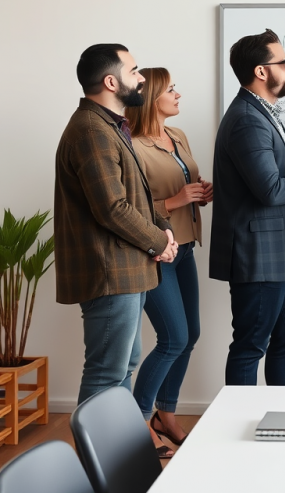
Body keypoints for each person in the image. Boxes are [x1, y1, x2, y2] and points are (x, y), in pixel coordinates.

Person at [54, 44, 177, 413]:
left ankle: (116, 461)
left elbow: (134, 194)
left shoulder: (110, 126)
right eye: (135, 70)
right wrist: (159, 242)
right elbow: (112, 208)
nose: (141, 78)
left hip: (126, 271)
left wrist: (163, 230)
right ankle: (95, 467)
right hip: (110, 273)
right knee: (107, 373)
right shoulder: (92, 130)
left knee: (123, 367)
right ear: (111, 81)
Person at [210, 30, 285, 386]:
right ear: (261, 71)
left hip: (282, 256)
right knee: (249, 347)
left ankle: (282, 424)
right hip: (258, 259)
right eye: (284, 63)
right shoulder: (247, 119)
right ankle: (235, 429)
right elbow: (270, 190)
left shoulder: (262, 112)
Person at [126, 69, 212, 455]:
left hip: (186, 244)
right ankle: (138, 421)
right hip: (155, 251)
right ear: (152, 98)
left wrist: (199, 194)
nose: (178, 94)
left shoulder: (177, 136)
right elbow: (129, 210)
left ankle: (166, 414)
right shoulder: (131, 146)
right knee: (173, 337)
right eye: (171, 89)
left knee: (190, 335)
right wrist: (177, 201)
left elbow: (183, 182)